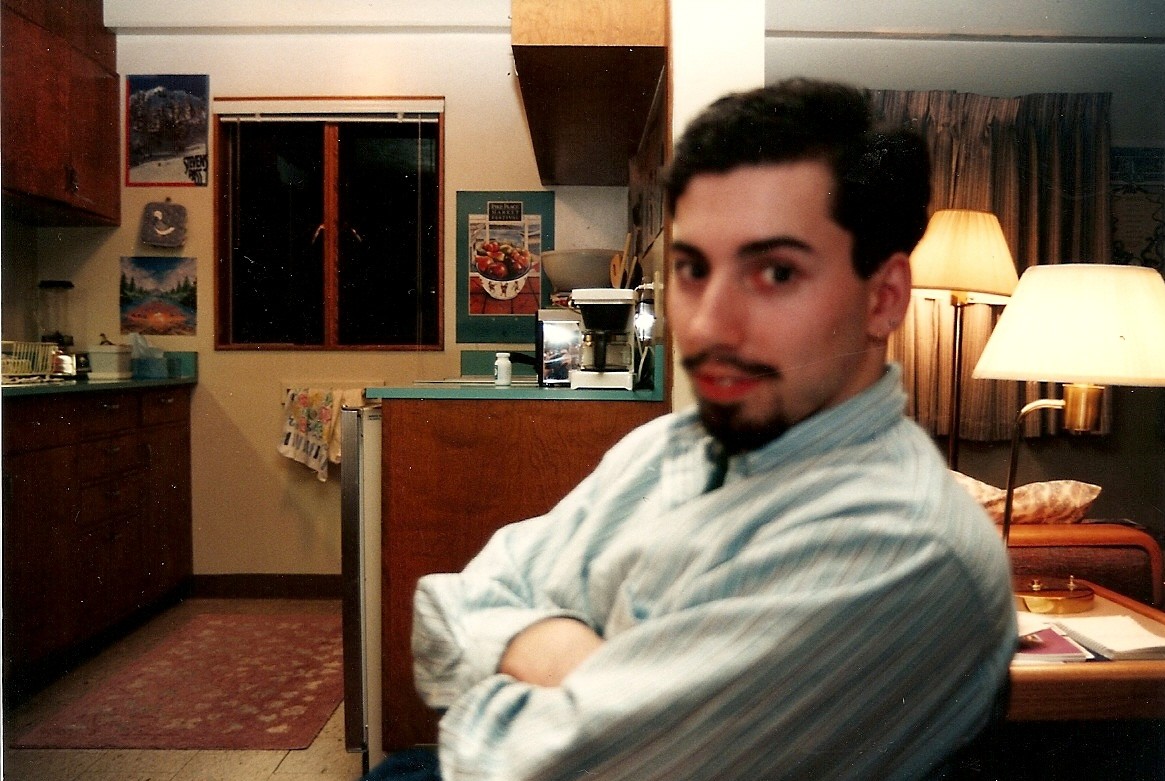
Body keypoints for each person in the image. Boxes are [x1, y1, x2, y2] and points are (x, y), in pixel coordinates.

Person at [366, 78, 1017, 781]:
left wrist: (541, 659)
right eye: (692, 269)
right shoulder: (669, 445)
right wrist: (596, 683)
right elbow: (448, 605)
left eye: (775, 272)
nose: (706, 324)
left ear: (883, 298)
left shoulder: (902, 547)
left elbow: (546, 764)